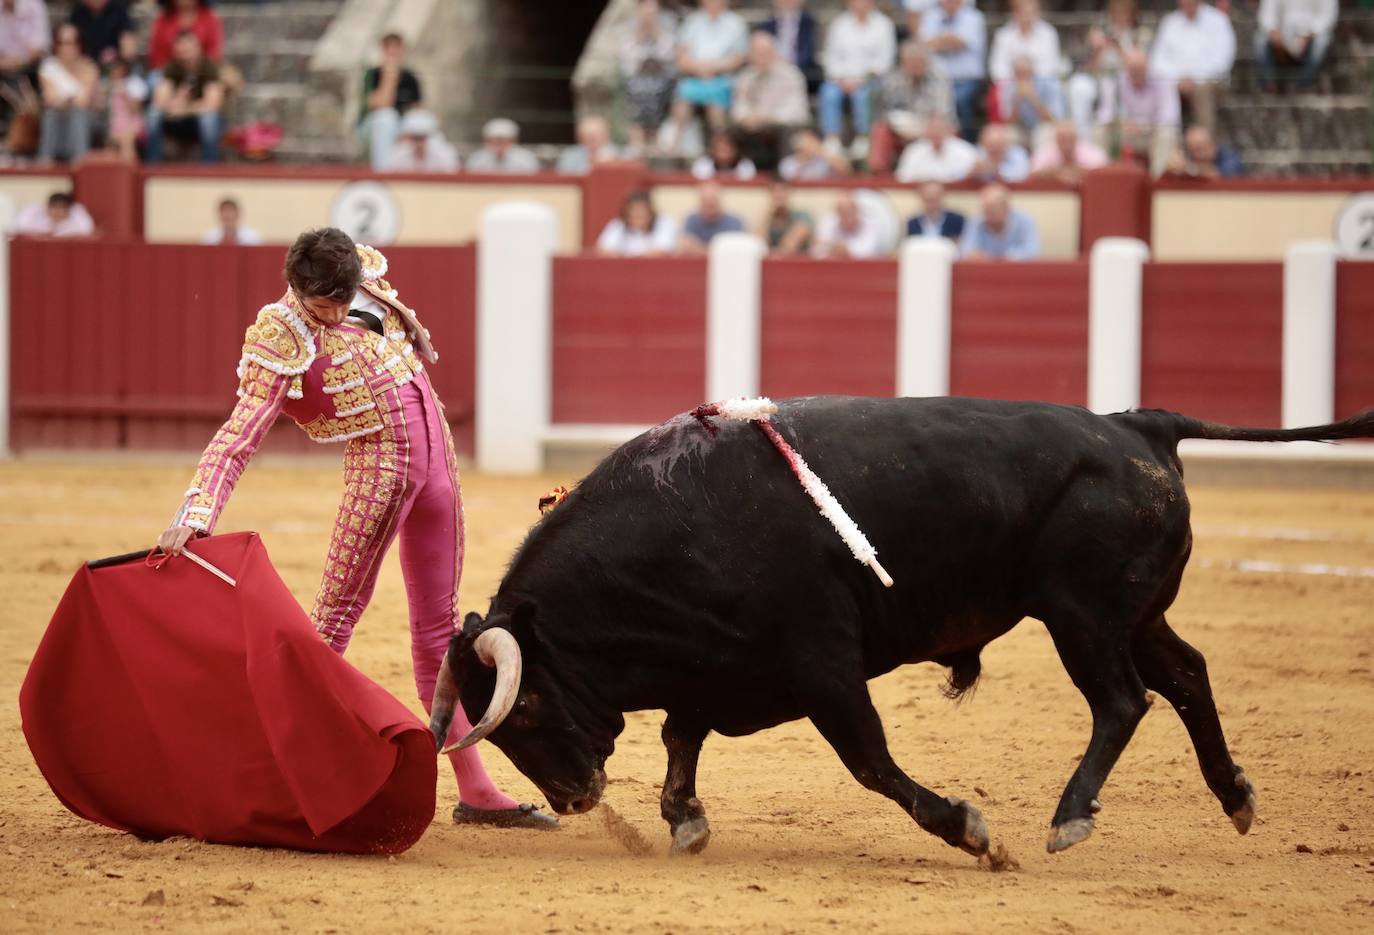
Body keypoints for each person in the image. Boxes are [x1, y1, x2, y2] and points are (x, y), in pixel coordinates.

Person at [155, 230, 559, 831]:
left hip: (437, 469)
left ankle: (475, 789)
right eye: (324, 308)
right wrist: (196, 511)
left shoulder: (361, 277)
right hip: (379, 472)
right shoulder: (281, 331)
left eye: (343, 302)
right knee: (332, 627)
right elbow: (239, 435)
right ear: (296, 288)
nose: (337, 316)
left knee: (439, 630)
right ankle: (274, 776)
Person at [662, 0, 748, 156]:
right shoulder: (692, 21)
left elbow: (738, 59)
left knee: (714, 105)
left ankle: (720, 151)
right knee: (682, 102)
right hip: (695, 77)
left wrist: (712, 69)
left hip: (723, 78)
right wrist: (701, 70)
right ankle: (672, 152)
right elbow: (682, 58)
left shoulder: (736, 23)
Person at [818, 0, 896, 154]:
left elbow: (885, 60)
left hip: (870, 80)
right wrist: (841, 78)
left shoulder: (884, 25)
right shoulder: (839, 23)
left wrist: (862, 79)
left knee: (864, 95)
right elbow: (831, 56)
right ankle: (832, 138)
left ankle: (863, 137)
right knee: (828, 92)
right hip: (840, 79)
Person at [1149, 0, 1235, 134]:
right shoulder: (1169, 22)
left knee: (1201, 90)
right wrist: (1178, 80)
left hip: (1210, 81)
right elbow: (1157, 61)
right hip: (1175, 82)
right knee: (1161, 87)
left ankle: (1205, 142)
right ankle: (1169, 142)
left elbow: (1222, 62)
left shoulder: (1218, 20)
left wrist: (1193, 79)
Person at [1066, 0, 1152, 134]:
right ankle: (1081, 134)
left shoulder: (1142, 33)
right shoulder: (1098, 32)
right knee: (1079, 86)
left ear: (1132, 14)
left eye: (1124, 13)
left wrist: (1118, 48)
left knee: (1112, 84)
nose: (1119, 17)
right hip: (1098, 77)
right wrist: (1100, 50)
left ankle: (1109, 123)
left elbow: (1140, 66)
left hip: (1130, 82)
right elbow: (1087, 66)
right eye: (1115, 13)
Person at [729, 31, 809, 172]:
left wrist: (766, 118)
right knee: (732, 131)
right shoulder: (745, 77)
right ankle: (739, 174)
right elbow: (738, 108)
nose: (761, 57)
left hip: (781, 127)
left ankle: (783, 175)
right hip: (752, 128)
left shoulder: (791, 75)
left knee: (788, 133)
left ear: (775, 52)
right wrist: (747, 117)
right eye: (756, 52)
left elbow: (796, 110)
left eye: (765, 52)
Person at [869, 41, 952, 175]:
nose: (915, 66)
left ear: (927, 63)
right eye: (911, 63)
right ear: (903, 63)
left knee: (947, 130)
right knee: (880, 129)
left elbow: (942, 114)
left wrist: (929, 127)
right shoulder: (893, 79)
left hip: (929, 125)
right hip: (900, 127)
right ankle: (879, 174)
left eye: (919, 63)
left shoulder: (939, 79)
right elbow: (886, 110)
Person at [1097, 48, 1179, 176]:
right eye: (1132, 69)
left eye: (1139, 69)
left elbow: (1169, 116)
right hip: (1125, 132)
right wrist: (1122, 123)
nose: (1136, 73)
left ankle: (1156, 179)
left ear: (1148, 67)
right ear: (1126, 68)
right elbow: (1105, 114)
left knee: (1166, 133)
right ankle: (1103, 176)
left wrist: (1142, 125)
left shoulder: (1162, 80)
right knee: (1100, 130)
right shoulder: (1117, 81)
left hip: (1152, 133)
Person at [145, 29, 224, 163]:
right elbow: (159, 101)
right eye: (182, 49)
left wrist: (185, 108)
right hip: (177, 120)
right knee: (153, 113)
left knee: (208, 120)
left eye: (189, 48)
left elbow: (212, 105)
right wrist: (176, 102)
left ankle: (209, 167)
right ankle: (153, 164)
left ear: (198, 48)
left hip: (199, 121)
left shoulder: (209, 68)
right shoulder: (172, 68)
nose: (186, 54)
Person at [917, 0, 986, 139]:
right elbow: (923, 44)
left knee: (958, 101)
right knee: (926, 105)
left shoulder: (974, 17)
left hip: (967, 79)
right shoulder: (930, 15)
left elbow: (962, 43)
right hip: (935, 79)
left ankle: (965, 140)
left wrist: (940, 41)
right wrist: (950, 40)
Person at [37, 23, 100, 165]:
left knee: (77, 113)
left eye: (72, 43)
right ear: (56, 45)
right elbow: (50, 99)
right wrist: (68, 99)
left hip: (89, 118)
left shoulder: (89, 67)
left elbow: (83, 101)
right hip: (58, 115)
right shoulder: (48, 67)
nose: (67, 48)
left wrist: (64, 99)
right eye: (62, 43)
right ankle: (45, 162)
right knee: (51, 114)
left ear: (80, 44)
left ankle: (79, 163)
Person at [358, 32, 422, 172]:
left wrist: (409, 130)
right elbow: (379, 105)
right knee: (386, 118)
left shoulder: (410, 78)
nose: (393, 53)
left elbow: (417, 110)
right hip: (371, 125)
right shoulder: (372, 75)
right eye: (389, 48)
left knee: (424, 129)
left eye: (397, 48)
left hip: (402, 126)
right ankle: (383, 173)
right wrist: (390, 76)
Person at [620, 0, 676, 155]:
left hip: (663, 81)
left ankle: (655, 142)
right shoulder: (630, 27)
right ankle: (636, 143)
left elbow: (669, 56)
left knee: (655, 92)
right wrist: (640, 33)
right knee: (638, 91)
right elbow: (627, 62)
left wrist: (657, 32)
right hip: (636, 82)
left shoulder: (669, 24)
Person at [1256, 0, 1336, 92]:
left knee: (1322, 41)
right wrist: (1274, 32)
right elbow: (1267, 14)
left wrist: (1309, 35)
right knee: (1261, 39)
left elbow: (1327, 17)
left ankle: (1303, 86)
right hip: (1281, 36)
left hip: (1312, 37)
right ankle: (1269, 87)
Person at [0, 0, 50, 136]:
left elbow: (38, 50)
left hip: (30, 68)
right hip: (2, 69)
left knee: (24, 84)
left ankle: (25, 139)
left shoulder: (34, 6)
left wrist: (18, 62)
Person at [996, 53, 1066, 148]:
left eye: (1025, 73)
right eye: (1018, 73)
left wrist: (1033, 99)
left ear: (1033, 71)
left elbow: (1055, 120)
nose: (1022, 77)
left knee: (1043, 134)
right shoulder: (1008, 88)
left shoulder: (1049, 85)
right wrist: (1017, 101)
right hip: (1022, 129)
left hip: (1043, 127)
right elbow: (1008, 123)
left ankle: (1041, 162)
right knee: (1009, 135)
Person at [961, 183, 1039, 260]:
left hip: (1018, 271)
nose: (987, 216)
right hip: (986, 271)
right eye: (986, 211)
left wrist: (1002, 258)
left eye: (992, 210)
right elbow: (967, 253)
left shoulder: (1024, 220)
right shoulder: (977, 222)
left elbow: (1032, 252)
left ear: (1006, 208)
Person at [989, 0, 1062, 82]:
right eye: (1023, 12)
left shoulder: (1048, 32)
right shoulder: (1003, 34)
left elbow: (1052, 66)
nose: (1027, 17)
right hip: (1011, 83)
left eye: (1031, 12)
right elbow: (997, 68)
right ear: (1015, 13)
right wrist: (1018, 75)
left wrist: (1029, 71)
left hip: (1041, 83)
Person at [894, 111, 977, 183]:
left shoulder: (966, 151)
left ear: (950, 130)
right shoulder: (913, 150)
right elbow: (902, 178)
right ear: (926, 130)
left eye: (940, 128)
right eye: (932, 128)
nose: (936, 132)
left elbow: (972, 178)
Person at [104, 32, 147, 162]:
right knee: (110, 148)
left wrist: (124, 92)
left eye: (119, 68)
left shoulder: (134, 83)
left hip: (132, 124)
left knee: (126, 140)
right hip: (113, 125)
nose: (116, 71)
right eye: (113, 68)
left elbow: (136, 109)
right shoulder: (107, 85)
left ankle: (131, 175)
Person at [759, 0, 820, 92]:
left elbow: (807, 54)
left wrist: (789, 69)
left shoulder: (809, 23)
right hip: (772, 70)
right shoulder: (766, 25)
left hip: (801, 71)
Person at [596, 190, 678, 257]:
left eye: (641, 214)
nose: (637, 218)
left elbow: (664, 250)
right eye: (634, 214)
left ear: (650, 213)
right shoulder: (619, 224)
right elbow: (602, 249)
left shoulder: (664, 222)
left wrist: (629, 257)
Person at [147, 0, 222, 71]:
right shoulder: (163, 19)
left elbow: (214, 54)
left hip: (202, 73)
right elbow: (157, 57)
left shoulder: (209, 17)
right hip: (168, 73)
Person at [1030, 121, 1108, 183]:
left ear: (1076, 138)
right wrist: (1062, 172)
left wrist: (1056, 172)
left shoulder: (1092, 152)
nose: (1066, 144)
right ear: (1056, 139)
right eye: (1062, 139)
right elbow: (1033, 174)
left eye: (1070, 139)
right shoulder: (1046, 152)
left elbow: (1103, 172)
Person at [812, 191, 883, 259]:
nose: (844, 216)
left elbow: (869, 253)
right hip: (832, 269)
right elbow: (817, 251)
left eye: (847, 211)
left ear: (856, 209)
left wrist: (844, 250)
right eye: (840, 211)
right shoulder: (828, 222)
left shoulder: (870, 225)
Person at [386, 108, 459, 173]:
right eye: (415, 138)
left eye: (422, 138)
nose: (419, 143)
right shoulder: (399, 154)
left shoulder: (444, 155)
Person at [680, 181, 744, 254]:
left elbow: (737, 251)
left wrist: (700, 248)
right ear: (699, 202)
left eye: (713, 200)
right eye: (705, 200)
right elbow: (686, 249)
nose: (709, 203)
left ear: (720, 201)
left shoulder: (735, 222)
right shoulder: (691, 220)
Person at [1163, 124, 1244, 178]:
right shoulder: (1189, 158)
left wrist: (1190, 169)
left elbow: (1219, 175)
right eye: (1193, 151)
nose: (1198, 155)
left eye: (1201, 149)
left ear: (1212, 144)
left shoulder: (1230, 157)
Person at [69, 0, 134, 67]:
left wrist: (120, 56)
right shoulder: (78, 12)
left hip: (113, 63)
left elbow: (127, 39)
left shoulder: (119, 9)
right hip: (85, 63)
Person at [464, 117, 540, 174]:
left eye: (503, 141)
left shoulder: (526, 158)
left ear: (514, 141)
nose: (499, 145)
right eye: (495, 141)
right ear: (487, 141)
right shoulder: (477, 158)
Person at [777, 126, 852, 180]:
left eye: (811, 141)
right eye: (806, 142)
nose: (809, 145)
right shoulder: (787, 163)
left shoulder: (822, 161)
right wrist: (804, 162)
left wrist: (820, 151)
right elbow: (789, 183)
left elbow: (846, 170)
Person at [761, 178, 813, 255]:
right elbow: (757, 244)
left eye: (782, 190)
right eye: (774, 191)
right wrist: (767, 217)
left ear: (789, 193)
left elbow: (788, 247)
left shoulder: (802, 216)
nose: (778, 195)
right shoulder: (768, 218)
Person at [12, 191, 95, 237]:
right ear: (47, 207)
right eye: (54, 207)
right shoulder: (35, 213)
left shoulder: (76, 216)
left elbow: (87, 229)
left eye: (61, 208)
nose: (57, 212)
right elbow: (20, 227)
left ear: (68, 209)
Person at [556, 114, 621, 174]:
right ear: (580, 137)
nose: (592, 138)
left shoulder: (620, 154)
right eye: (588, 134)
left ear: (607, 135)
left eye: (597, 133)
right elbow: (562, 176)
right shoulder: (570, 155)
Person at [691, 130, 757, 180]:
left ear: (735, 149)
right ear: (713, 150)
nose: (724, 153)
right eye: (720, 149)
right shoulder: (702, 164)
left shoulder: (746, 165)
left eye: (727, 149)